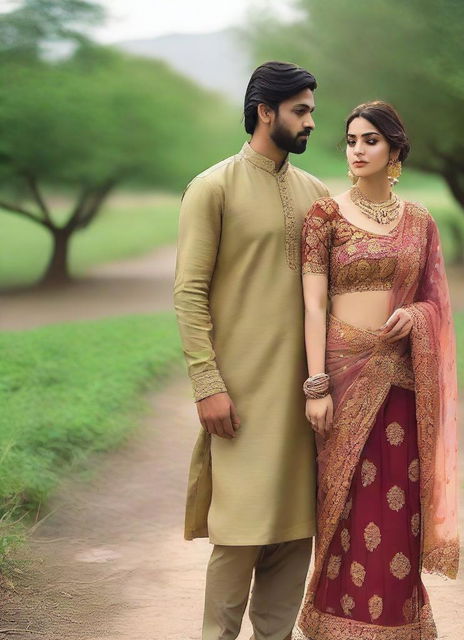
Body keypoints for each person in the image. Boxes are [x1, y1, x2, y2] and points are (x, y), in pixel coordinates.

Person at [173, 61, 330, 640]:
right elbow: (188, 293)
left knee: (294, 536)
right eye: (301, 111)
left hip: (302, 400)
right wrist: (207, 384)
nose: (312, 121)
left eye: (311, 110)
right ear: (267, 112)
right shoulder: (214, 187)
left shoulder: (316, 195)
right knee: (237, 536)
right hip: (238, 398)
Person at [297, 101, 459, 640]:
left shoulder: (420, 221)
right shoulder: (324, 216)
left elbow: (435, 302)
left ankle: (399, 625)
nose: (357, 150)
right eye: (350, 140)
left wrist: (415, 317)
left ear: (394, 150)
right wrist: (316, 384)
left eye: (370, 140)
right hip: (343, 381)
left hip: (401, 381)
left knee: (399, 511)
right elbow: (314, 306)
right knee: (346, 508)